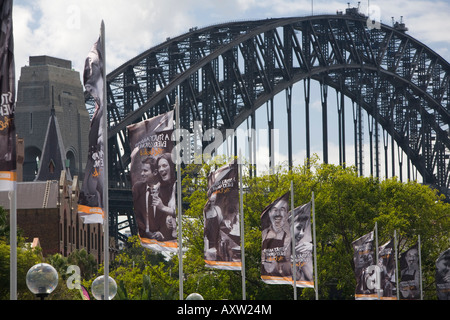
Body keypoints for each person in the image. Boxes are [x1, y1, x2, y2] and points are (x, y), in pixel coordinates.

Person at [133, 153, 176, 242]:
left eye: (145, 171)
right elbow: (137, 213)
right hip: (143, 240)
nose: (142, 174)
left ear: (155, 172)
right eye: (142, 171)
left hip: (165, 243)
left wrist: (162, 233)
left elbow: (172, 215)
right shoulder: (137, 188)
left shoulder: (167, 190)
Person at [261, 198, 291, 277]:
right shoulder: (265, 234)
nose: (278, 214)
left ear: (286, 214)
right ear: (270, 213)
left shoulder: (290, 236)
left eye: (282, 209)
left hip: (285, 278)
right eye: (275, 210)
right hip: (269, 276)